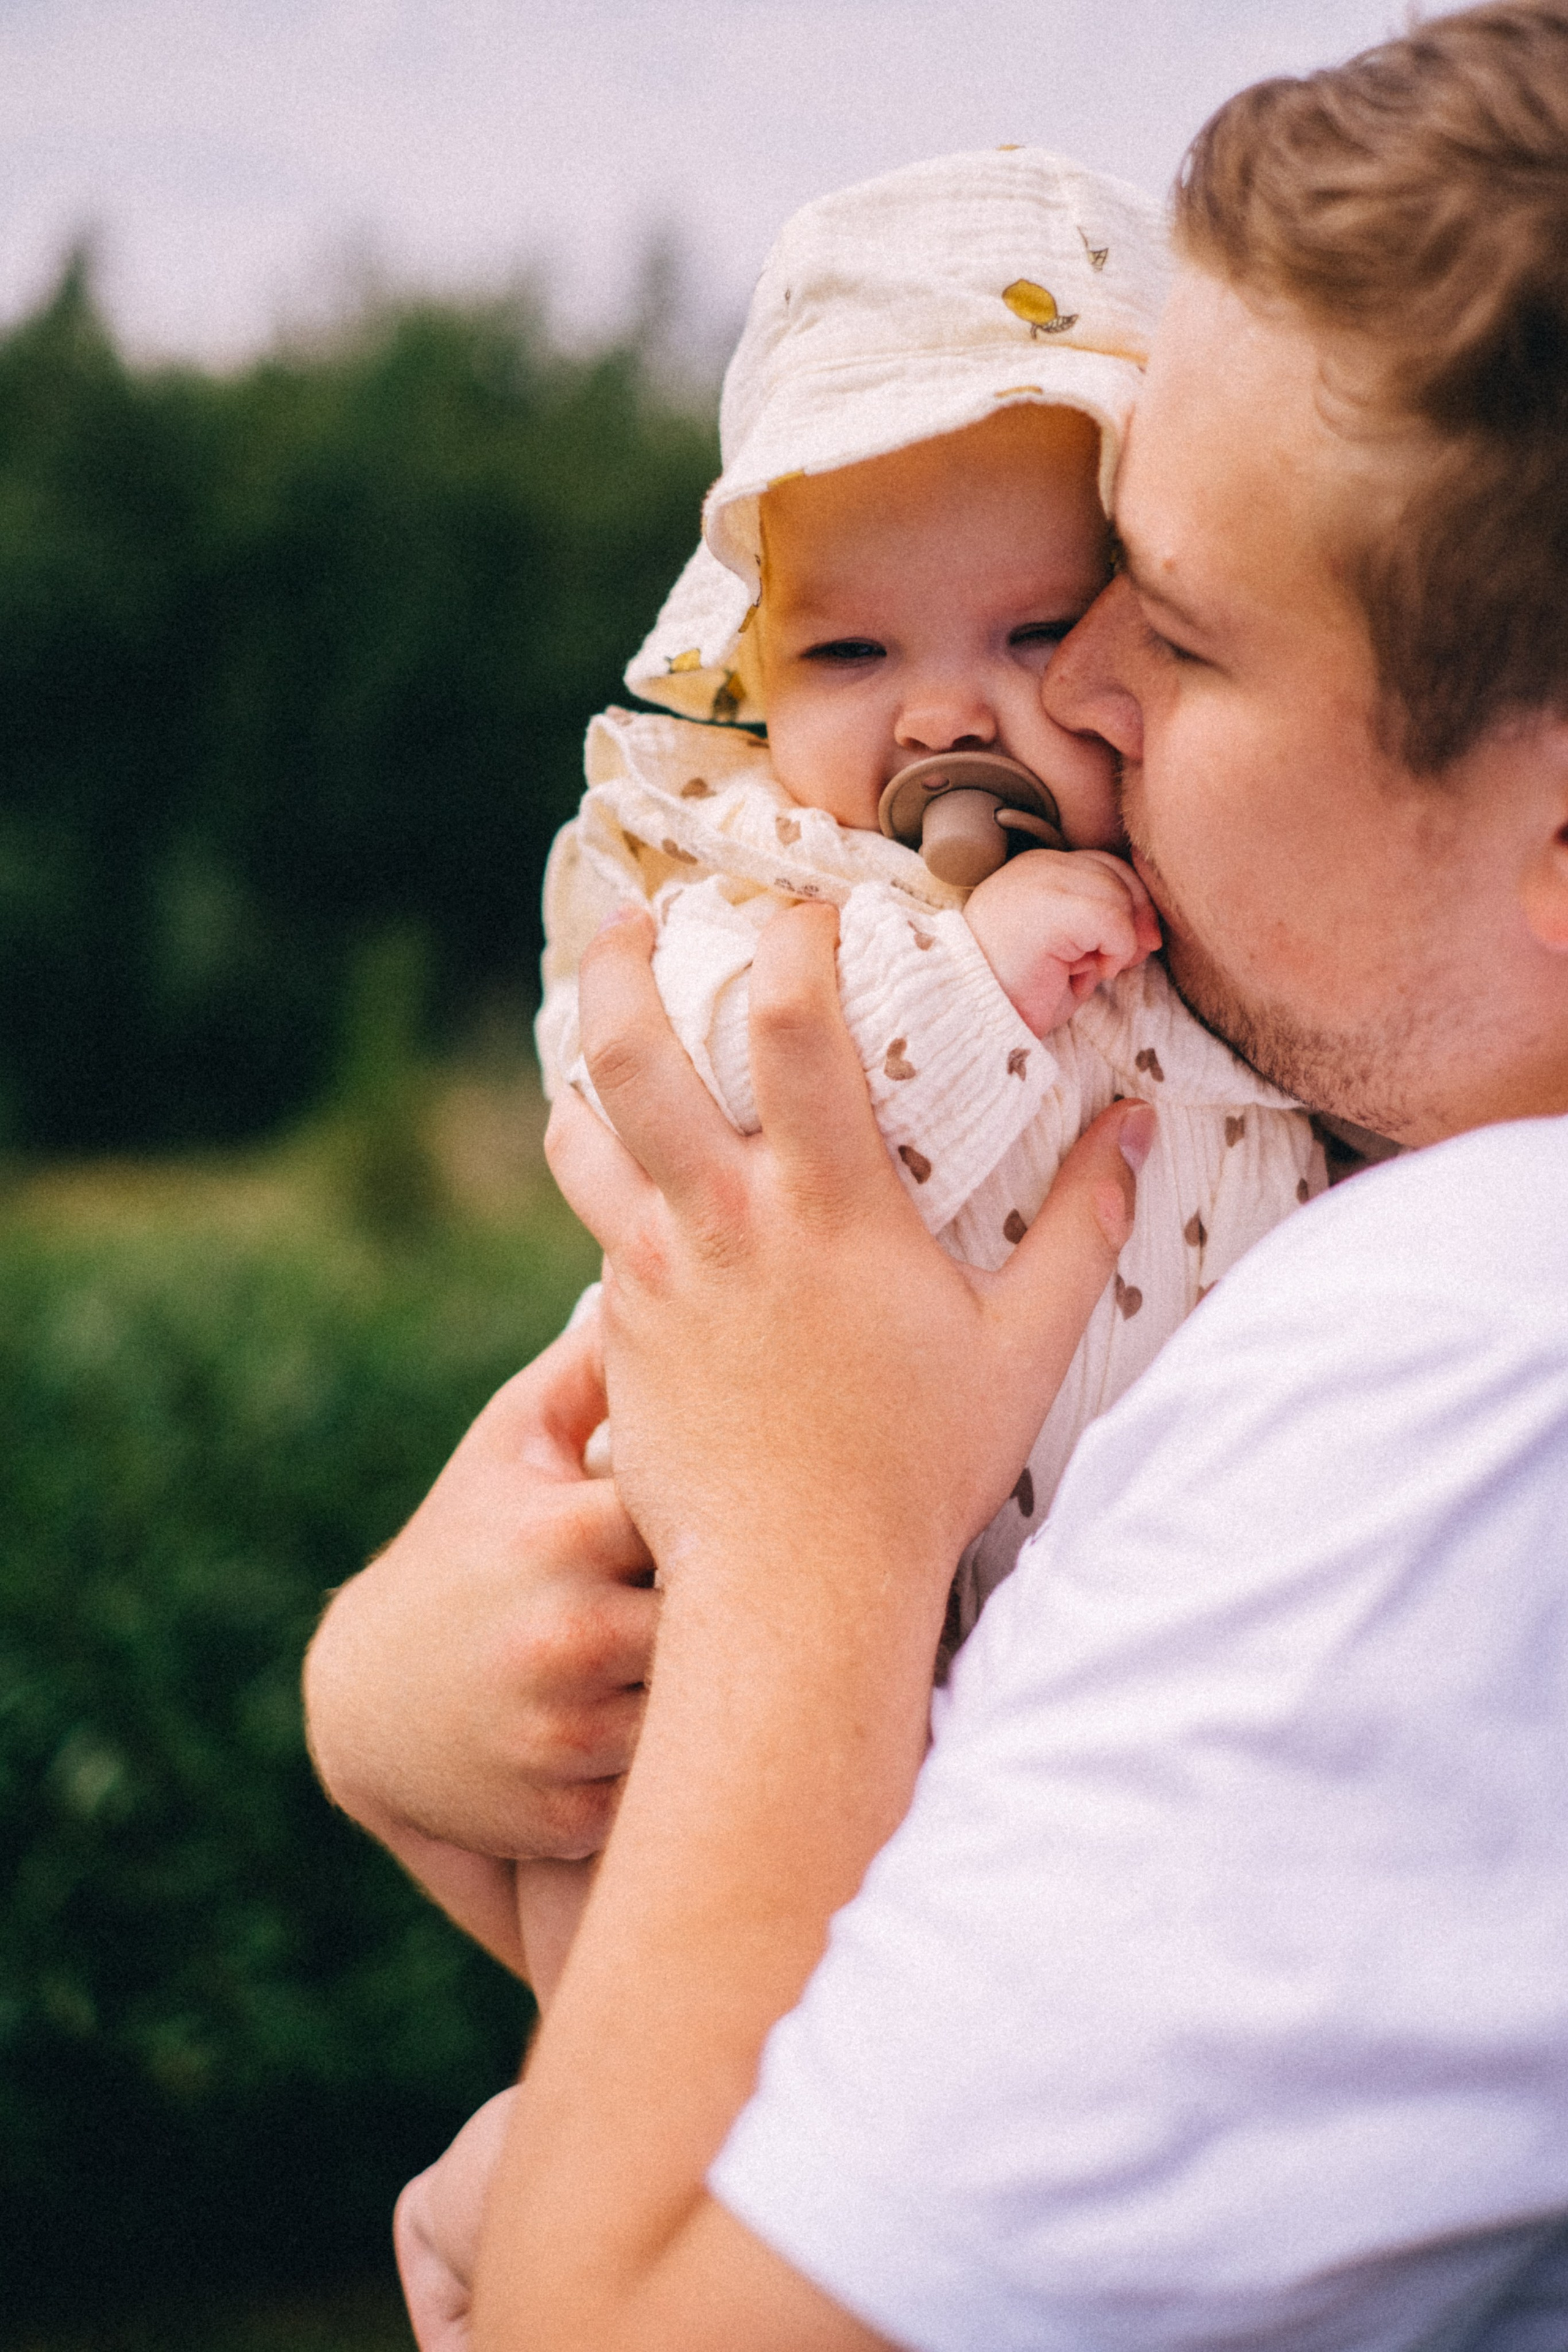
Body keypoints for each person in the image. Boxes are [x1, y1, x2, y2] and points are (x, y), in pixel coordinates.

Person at [304, 6, 1568, 2346]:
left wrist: (810, 1541)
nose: (1063, 704)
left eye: (1173, 632)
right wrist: (381, 1688)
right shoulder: (1389, 1173)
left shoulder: (1473, 1371)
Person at [521, 148, 1321, 1990]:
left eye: (1036, 630)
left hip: (1113, 1700)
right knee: (691, 1992)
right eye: (851, 647)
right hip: (775, 1632)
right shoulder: (761, 873)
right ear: (752, 669)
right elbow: (694, 1090)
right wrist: (974, 984)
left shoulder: (1226, 901)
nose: (946, 711)